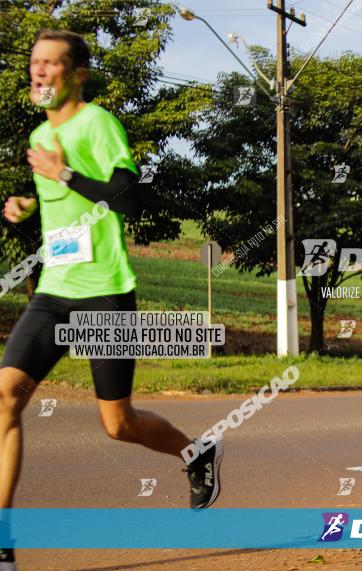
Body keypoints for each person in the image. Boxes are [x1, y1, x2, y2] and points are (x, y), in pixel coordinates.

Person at [0, 29, 222, 569]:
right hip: (54, 291)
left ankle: (197, 452)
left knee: (117, 424)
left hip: (106, 295)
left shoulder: (97, 123)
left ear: (77, 74)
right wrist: (31, 200)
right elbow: (61, 201)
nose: (40, 71)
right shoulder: (37, 133)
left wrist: (64, 173)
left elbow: (125, 195)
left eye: (52, 64)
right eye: (35, 62)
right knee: (5, 398)